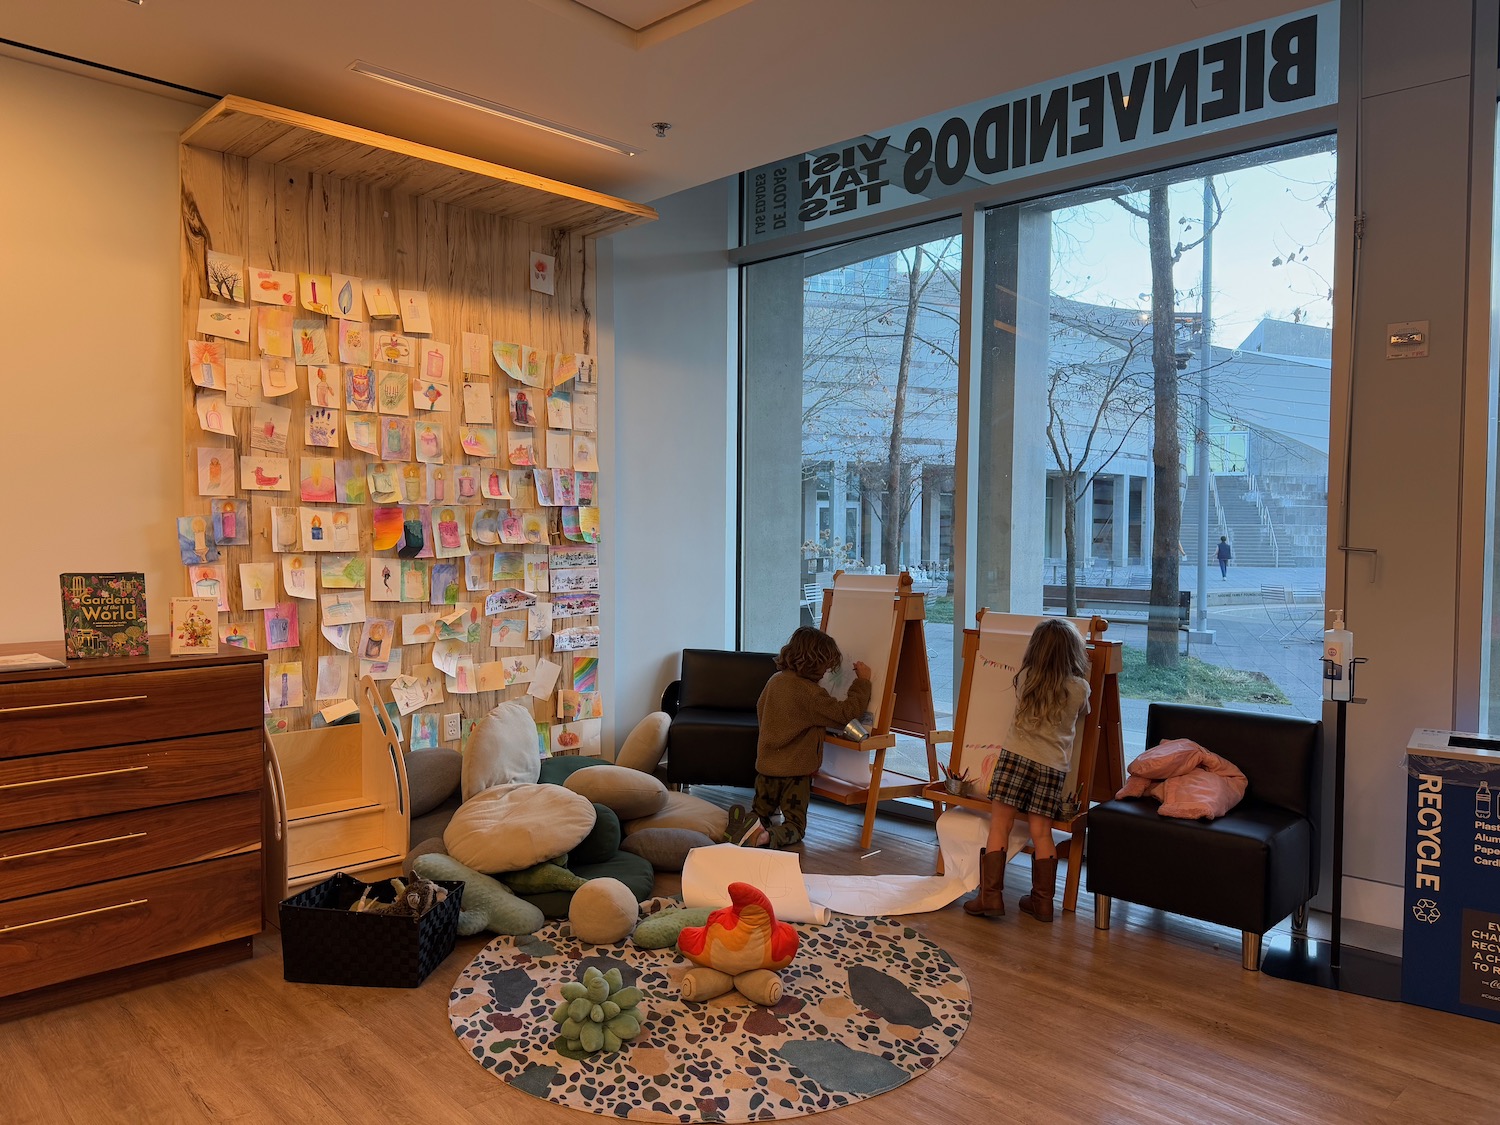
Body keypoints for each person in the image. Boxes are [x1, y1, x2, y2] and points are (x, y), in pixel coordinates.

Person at [963, 618, 1091, 924]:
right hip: (1052, 768)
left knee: (1000, 826)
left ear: (1036, 649)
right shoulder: (1079, 688)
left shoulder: (1026, 677)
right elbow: (1084, 713)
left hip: (1015, 759)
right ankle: (1043, 902)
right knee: (1041, 832)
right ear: (1073, 653)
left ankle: (991, 896)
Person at [732, 626, 872, 849]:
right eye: (826, 666)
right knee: (795, 826)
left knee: (761, 812)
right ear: (815, 662)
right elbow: (846, 714)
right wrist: (863, 682)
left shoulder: (775, 681)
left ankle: (752, 826)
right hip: (794, 775)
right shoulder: (810, 694)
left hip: (766, 769)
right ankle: (764, 838)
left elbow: (761, 709)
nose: (827, 672)